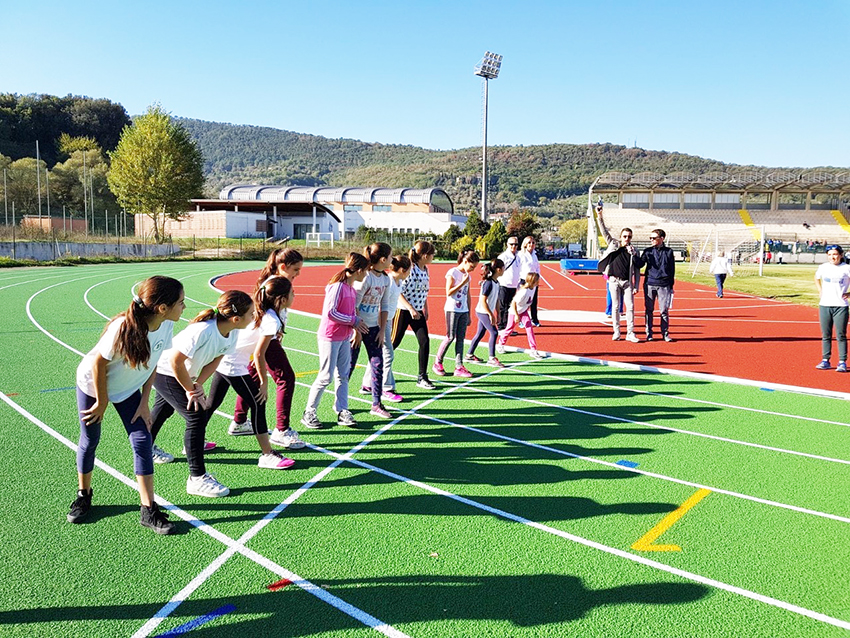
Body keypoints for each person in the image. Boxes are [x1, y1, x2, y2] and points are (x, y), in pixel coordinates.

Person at [69, 276, 184, 533]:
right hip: (93, 385)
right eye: (180, 302)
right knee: (90, 440)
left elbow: (152, 364)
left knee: (142, 440)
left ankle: (147, 509)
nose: (184, 307)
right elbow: (98, 364)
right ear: (162, 307)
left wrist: (144, 402)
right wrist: (101, 401)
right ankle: (83, 494)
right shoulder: (123, 327)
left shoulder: (165, 325)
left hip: (127, 390)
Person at [150, 290, 254, 498]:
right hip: (166, 372)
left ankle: (145, 447)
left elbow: (217, 358)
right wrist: (191, 390)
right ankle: (197, 478)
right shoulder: (202, 331)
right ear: (236, 318)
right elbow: (175, 362)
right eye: (251, 314)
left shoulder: (232, 332)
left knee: (163, 411)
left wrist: (198, 384)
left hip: (184, 374)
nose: (254, 317)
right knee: (196, 416)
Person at [209, 276, 297, 469]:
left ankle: (192, 441)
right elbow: (259, 354)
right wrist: (264, 383)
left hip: (224, 361)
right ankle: (267, 454)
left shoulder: (260, 311)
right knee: (258, 404)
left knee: (210, 405)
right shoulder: (271, 320)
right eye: (292, 293)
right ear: (281, 299)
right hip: (234, 367)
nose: (294, 295)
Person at [231, 248, 303, 448]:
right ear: (283, 267)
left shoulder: (272, 283)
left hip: (266, 337)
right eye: (295, 270)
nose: (298, 274)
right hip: (266, 339)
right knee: (286, 378)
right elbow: (267, 317)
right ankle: (282, 429)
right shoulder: (274, 286)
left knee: (253, 376)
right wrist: (274, 333)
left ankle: (238, 421)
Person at [302, 253, 368, 429]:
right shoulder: (337, 287)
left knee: (343, 375)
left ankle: (342, 410)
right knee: (325, 376)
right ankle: (309, 411)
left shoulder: (352, 290)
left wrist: (355, 329)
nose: (366, 275)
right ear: (359, 270)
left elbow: (351, 312)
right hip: (330, 337)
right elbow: (330, 313)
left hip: (344, 337)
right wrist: (353, 321)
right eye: (366, 271)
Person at [350, 242, 394, 419]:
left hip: (374, 328)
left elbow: (384, 306)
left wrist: (382, 330)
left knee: (377, 364)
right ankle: (340, 404)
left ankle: (376, 403)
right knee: (349, 367)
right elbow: (354, 305)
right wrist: (357, 331)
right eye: (390, 257)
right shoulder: (366, 277)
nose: (391, 260)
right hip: (357, 328)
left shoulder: (385, 279)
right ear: (383, 259)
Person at [360, 254, 411, 403]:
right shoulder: (388, 281)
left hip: (386, 320)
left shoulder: (397, 281)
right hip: (380, 321)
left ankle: (367, 384)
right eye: (408, 270)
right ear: (402, 269)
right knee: (388, 354)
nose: (409, 274)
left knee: (376, 354)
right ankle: (386, 388)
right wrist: (381, 326)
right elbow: (381, 303)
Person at [391, 240, 437, 390]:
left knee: (424, 341)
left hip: (418, 311)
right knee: (393, 343)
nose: (433, 257)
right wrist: (410, 308)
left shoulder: (426, 270)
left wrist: (426, 308)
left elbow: (423, 291)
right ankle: (377, 372)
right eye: (432, 254)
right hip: (403, 310)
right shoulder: (411, 269)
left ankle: (422, 377)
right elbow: (399, 292)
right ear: (424, 255)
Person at [596, 204, 644, 342]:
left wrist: (636, 286)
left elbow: (637, 269)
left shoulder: (634, 251)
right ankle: (617, 331)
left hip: (627, 281)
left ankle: (630, 332)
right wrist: (600, 216)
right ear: (621, 237)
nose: (626, 239)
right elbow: (603, 231)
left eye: (629, 236)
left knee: (630, 307)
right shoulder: (614, 244)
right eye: (624, 236)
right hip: (613, 280)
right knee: (616, 307)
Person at [433, 249, 480, 378]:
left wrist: (469, 312)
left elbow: (468, 295)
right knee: (450, 337)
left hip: (463, 310)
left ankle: (459, 366)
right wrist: (462, 283)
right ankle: (438, 362)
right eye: (472, 266)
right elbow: (448, 292)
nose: (473, 269)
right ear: (465, 261)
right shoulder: (452, 272)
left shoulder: (468, 276)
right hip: (452, 309)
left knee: (461, 338)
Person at [814, 245, 850, 372]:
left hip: (841, 306)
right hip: (825, 305)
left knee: (841, 335)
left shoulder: (846, 268)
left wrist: (849, 293)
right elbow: (817, 278)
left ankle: (842, 362)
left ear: (840, 255)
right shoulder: (823, 267)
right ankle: (825, 360)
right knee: (826, 335)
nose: (832, 257)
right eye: (829, 255)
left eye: (834, 254)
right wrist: (820, 290)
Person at [497, 272, 545, 359]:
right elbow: (514, 303)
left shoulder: (533, 288)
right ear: (533, 281)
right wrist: (516, 315)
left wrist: (525, 312)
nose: (539, 281)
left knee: (529, 328)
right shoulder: (523, 292)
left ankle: (533, 350)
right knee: (509, 329)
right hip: (514, 311)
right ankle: (500, 344)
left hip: (523, 311)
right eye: (537, 280)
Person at [466, 258, 505, 367]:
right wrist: (490, 314)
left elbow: (496, 299)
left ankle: (469, 354)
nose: (504, 269)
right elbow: (483, 300)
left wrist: (498, 313)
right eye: (503, 268)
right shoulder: (488, 283)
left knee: (480, 333)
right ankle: (491, 358)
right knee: (494, 332)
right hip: (483, 312)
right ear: (498, 269)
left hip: (487, 312)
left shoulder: (497, 283)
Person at [641, 228, 675, 342]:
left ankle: (665, 333)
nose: (651, 240)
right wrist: (633, 255)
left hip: (664, 284)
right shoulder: (648, 251)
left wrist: (671, 286)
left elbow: (672, 269)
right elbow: (640, 264)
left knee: (664, 310)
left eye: (654, 238)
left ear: (661, 238)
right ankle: (649, 333)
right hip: (650, 283)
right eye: (650, 238)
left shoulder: (669, 251)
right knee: (649, 310)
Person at [496, 237, 522, 330]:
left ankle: (508, 327)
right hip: (503, 284)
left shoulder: (519, 256)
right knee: (502, 307)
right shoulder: (503, 257)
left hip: (514, 285)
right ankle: (501, 326)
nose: (514, 246)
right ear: (507, 244)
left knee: (510, 307)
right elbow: (497, 270)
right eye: (511, 244)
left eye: (516, 244)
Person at [518, 236, 542, 327]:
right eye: (529, 242)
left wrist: (538, 277)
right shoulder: (521, 254)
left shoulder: (534, 255)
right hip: (524, 280)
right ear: (525, 244)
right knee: (523, 301)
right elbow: (519, 267)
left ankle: (534, 319)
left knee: (534, 301)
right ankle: (521, 320)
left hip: (534, 281)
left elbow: (537, 267)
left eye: (533, 243)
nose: (531, 244)